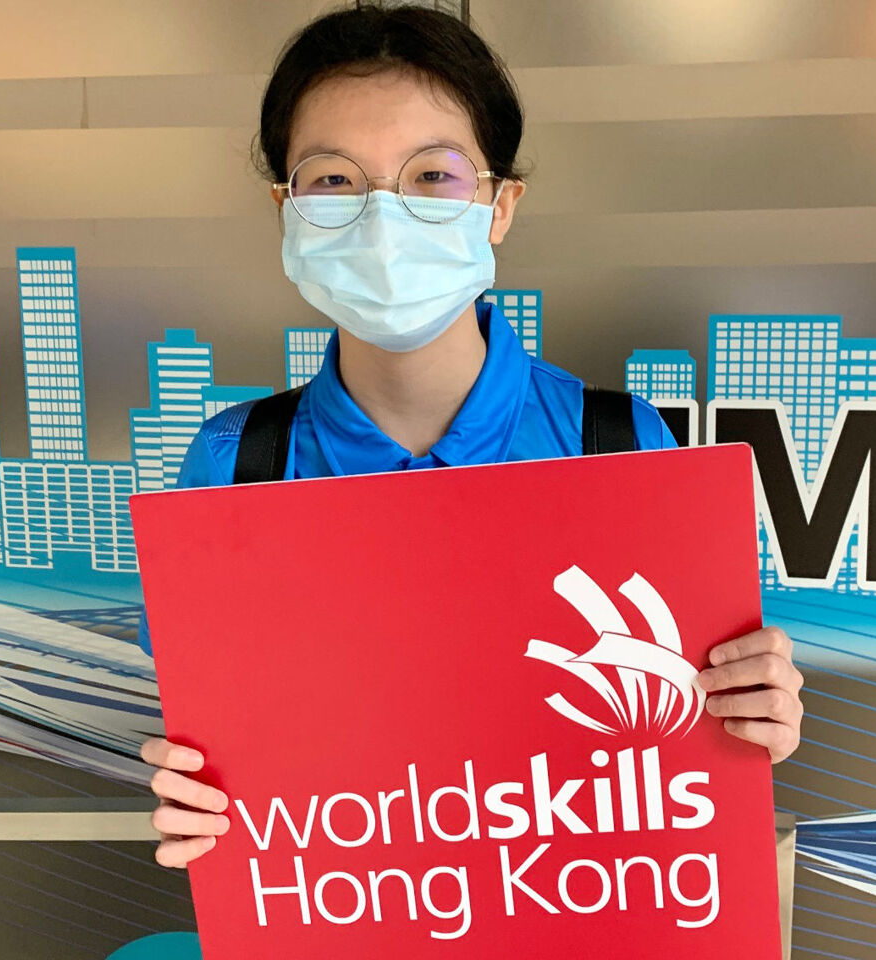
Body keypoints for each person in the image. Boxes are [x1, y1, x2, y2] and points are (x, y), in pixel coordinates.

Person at [139, 3, 804, 869]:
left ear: (499, 205)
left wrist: (748, 724)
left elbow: (676, 758)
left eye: (432, 176)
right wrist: (197, 801)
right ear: (286, 209)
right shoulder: (233, 468)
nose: (383, 220)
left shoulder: (624, 450)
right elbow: (228, 753)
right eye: (334, 179)